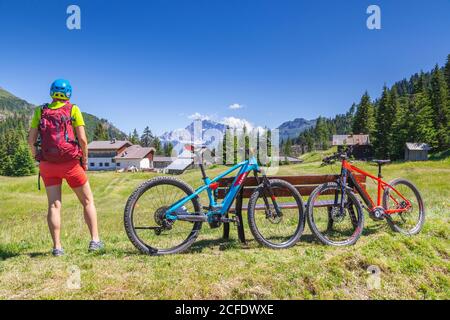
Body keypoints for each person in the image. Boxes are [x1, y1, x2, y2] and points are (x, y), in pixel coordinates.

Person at [28, 79, 104, 256]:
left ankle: (57, 247)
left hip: (47, 165)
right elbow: (83, 140)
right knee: (87, 201)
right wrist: (84, 160)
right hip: (70, 163)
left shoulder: (41, 110)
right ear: (68, 93)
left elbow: (31, 141)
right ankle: (95, 241)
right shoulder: (73, 109)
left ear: (51, 93)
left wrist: (36, 156)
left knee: (54, 205)